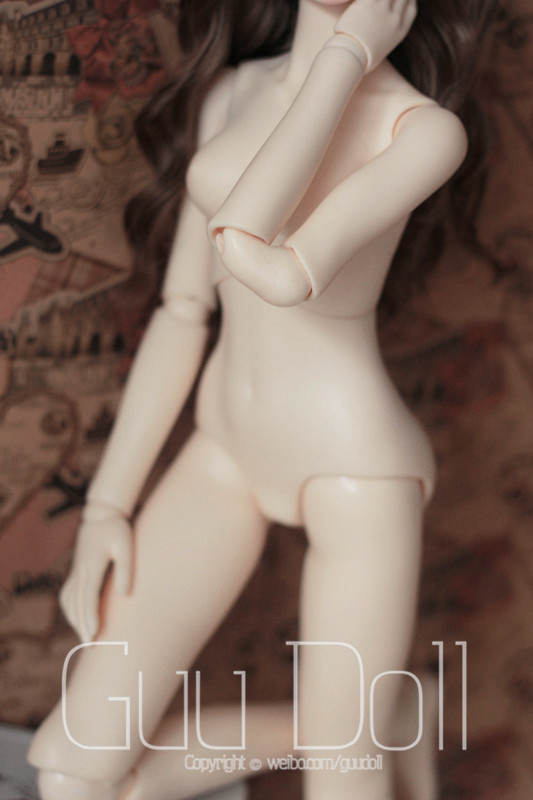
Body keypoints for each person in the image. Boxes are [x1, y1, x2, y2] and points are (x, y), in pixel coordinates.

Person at [27, 1, 496, 799]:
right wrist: (108, 504)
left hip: (352, 469)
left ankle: (353, 739)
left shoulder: (421, 133)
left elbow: (258, 253)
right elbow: (185, 309)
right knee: (73, 777)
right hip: (226, 446)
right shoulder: (233, 91)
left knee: (343, 782)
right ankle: (380, 720)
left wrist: (343, 60)